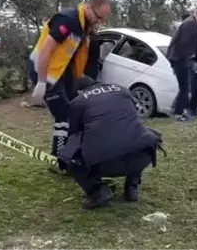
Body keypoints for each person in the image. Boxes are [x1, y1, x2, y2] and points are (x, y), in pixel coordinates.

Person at [29, 0, 111, 174]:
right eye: (99, 17)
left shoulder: (83, 26)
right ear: (89, 8)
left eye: (103, 20)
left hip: (61, 72)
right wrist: (41, 82)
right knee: (63, 115)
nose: (100, 22)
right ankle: (58, 161)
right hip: (45, 71)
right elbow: (46, 50)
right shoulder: (69, 20)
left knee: (71, 113)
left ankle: (64, 157)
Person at [58, 76, 165, 210]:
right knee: (136, 134)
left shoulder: (78, 102)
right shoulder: (123, 91)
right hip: (143, 156)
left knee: (68, 154)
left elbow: (74, 133)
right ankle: (132, 186)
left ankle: (97, 191)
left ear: (79, 91)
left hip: (108, 163)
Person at [166, 5, 197, 122]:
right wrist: (187, 57)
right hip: (180, 59)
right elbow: (182, 43)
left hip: (182, 59)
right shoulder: (190, 23)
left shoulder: (193, 22)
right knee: (185, 88)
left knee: (188, 87)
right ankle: (178, 114)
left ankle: (175, 109)